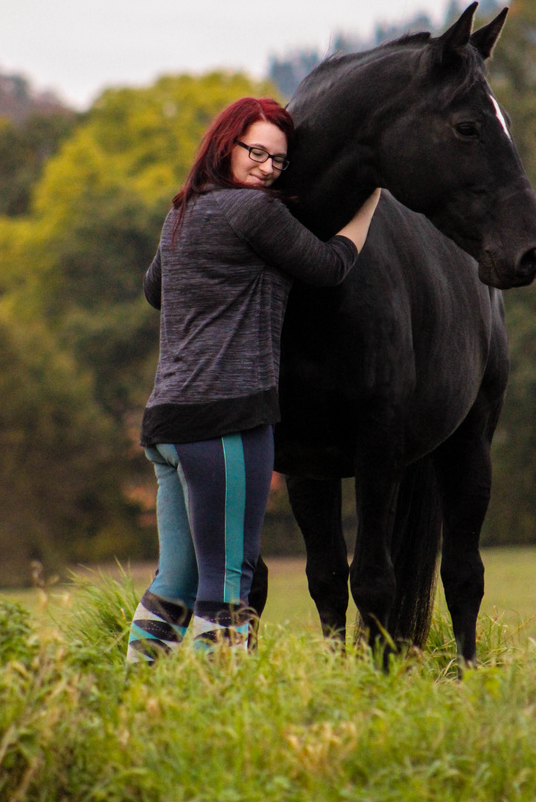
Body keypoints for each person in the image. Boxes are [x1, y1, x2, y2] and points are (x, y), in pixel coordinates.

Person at [127, 96, 380, 661]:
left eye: (278, 161)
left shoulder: (184, 210)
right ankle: (217, 719)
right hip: (227, 423)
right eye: (256, 152)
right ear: (227, 145)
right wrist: (369, 203)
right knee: (226, 589)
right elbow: (329, 266)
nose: (266, 168)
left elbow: (154, 291)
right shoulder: (254, 212)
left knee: (176, 582)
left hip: (166, 424)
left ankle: (134, 706)